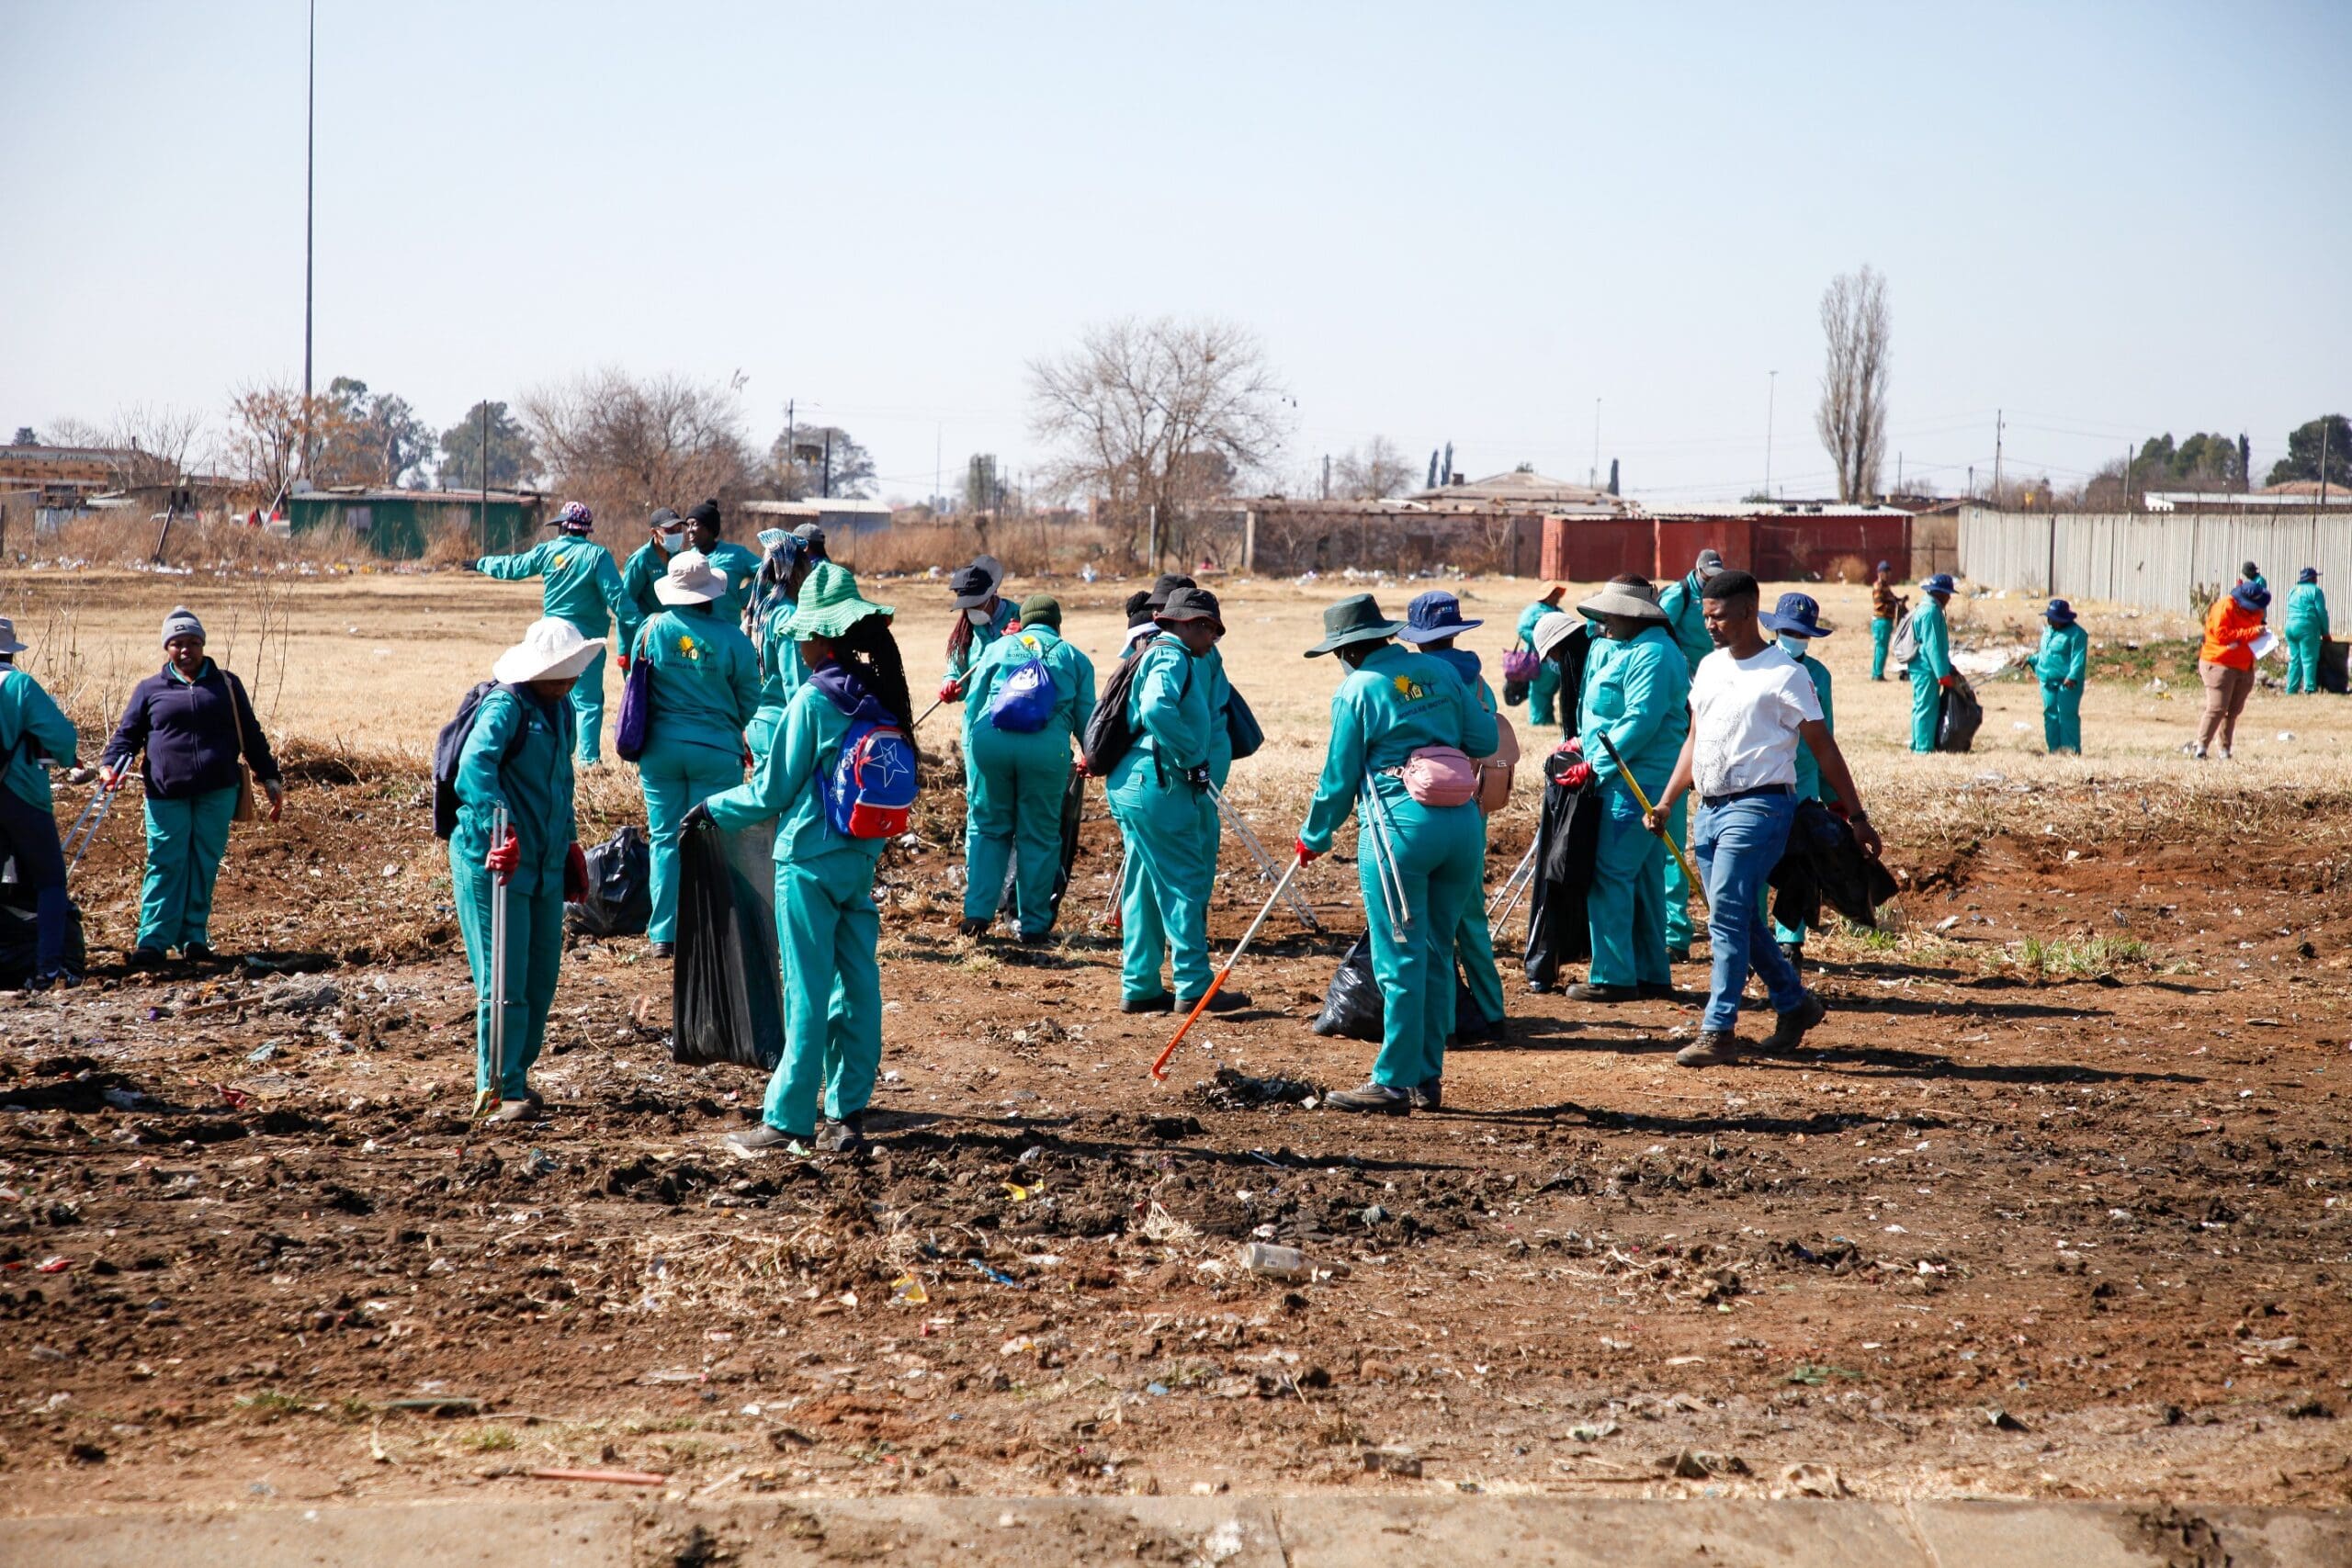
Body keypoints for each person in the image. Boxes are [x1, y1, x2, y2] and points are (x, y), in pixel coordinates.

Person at [697, 563, 912, 1159]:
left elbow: (770, 792)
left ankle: (789, 1118)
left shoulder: (815, 700)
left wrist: (712, 810)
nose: (796, 644)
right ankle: (847, 1115)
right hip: (859, 859)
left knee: (806, 992)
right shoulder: (879, 695)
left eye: (801, 636)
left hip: (808, 861)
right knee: (857, 986)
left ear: (819, 636)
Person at [1647, 571, 1881, 1069]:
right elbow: (1695, 741)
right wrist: (1667, 801)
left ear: (1749, 611)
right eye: (1705, 616)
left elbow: (1824, 748)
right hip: (1710, 811)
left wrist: (1857, 816)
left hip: (1761, 807)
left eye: (1718, 616)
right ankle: (1795, 1004)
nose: (1709, 625)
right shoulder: (1708, 666)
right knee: (1737, 916)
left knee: (1726, 916)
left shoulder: (1786, 674)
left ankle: (1719, 1030)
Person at [1296, 594, 1498, 1113]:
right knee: (1437, 953)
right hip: (1462, 828)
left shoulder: (1357, 688)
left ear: (1347, 651)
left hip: (1399, 833)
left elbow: (1338, 778)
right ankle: (1426, 1079)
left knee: (1400, 958)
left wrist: (1315, 835)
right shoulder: (1440, 670)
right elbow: (1483, 737)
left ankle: (1391, 1082)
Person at [449, 618, 601, 1122]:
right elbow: (474, 768)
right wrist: (502, 826)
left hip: (544, 860)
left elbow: (561, 782)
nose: (572, 679)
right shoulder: (505, 706)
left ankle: (517, 1072)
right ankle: (498, 1089)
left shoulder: (562, 709)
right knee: (504, 980)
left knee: (540, 977)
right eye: (562, 671)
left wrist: (570, 844)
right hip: (496, 860)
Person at [101, 607, 285, 967]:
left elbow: (251, 734)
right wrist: (110, 766)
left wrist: (270, 777)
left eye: (192, 642)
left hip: (218, 791)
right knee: (166, 862)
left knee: (203, 863)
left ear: (202, 644)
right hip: (165, 792)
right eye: (177, 643)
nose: (186, 650)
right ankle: (152, 941)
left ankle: (193, 937)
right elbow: (127, 736)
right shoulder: (150, 689)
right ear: (167, 648)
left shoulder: (226, 685)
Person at [1555, 576, 1689, 1003]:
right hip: (1625, 777)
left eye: (1611, 614)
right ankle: (1651, 973)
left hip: (1636, 783)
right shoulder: (1633, 648)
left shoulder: (1654, 653)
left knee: (1610, 874)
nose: (1604, 621)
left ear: (1634, 615)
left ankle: (1612, 976)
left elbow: (1640, 720)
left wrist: (1594, 765)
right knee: (1644, 878)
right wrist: (1580, 744)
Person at [1106, 587, 1229, 1014]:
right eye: (1213, 631)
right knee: (1184, 882)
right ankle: (1194, 986)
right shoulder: (1172, 655)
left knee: (1143, 885)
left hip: (1133, 783)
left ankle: (1140, 985)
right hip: (1158, 785)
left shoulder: (1153, 650)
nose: (1214, 642)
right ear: (1194, 624)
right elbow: (1156, 708)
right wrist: (1194, 758)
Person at [631, 550, 758, 955]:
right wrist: (725, 724)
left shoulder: (651, 628)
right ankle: (711, 930)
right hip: (716, 752)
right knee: (712, 840)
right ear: (711, 594)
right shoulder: (734, 639)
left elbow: (637, 681)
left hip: (660, 751)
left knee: (665, 838)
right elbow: (749, 699)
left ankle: (664, 935)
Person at [1397, 589, 1508, 1043]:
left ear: (1417, 639)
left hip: (1420, 810)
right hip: (1469, 807)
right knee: (1470, 915)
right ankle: (1492, 1011)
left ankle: (1440, 1024)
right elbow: (1490, 738)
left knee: (1428, 926)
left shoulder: (1412, 682)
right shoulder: (1478, 683)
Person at [956, 594, 1096, 943]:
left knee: (988, 828)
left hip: (990, 744)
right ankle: (1033, 924)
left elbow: (973, 705)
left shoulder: (998, 648)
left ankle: (977, 913)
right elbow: (1087, 722)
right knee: (1039, 835)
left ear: (1025, 622)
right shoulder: (1075, 658)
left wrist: (971, 754)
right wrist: (1092, 757)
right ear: (1057, 624)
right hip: (1046, 751)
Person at [470, 501, 638, 765]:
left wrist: (482, 563)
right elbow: (618, 599)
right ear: (586, 530)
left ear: (562, 527)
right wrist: (644, 626)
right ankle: (588, 761)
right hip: (585, 641)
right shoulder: (597, 556)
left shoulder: (547, 550)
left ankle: (552, 753)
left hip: (549, 639)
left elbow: (514, 566)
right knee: (588, 702)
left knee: (548, 697)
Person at [0, 616, 83, 988]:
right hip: (22, 794)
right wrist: (66, 759)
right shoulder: (20, 686)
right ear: (11, 653)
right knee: (49, 881)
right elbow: (63, 738)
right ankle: (48, 969)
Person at [1758, 593, 1838, 971]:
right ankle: (1753, 935)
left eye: (1802, 634)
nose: (1796, 639)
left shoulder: (1819, 675)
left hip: (1803, 779)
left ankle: (1790, 940)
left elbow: (1827, 738)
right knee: (1758, 858)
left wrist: (1833, 797)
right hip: (1765, 775)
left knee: (1799, 862)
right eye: (1790, 631)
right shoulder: (1759, 664)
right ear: (1776, 629)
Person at [1654, 549, 1723, 961]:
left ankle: (1676, 927)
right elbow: (1665, 631)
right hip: (1688, 683)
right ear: (1696, 569)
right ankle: (1670, 927)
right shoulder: (1679, 595)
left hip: (1706, 679)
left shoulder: (1715, 595)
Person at [742, 529, 816, 766]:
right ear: (796, 575)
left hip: (759, 720)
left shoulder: (763, 609)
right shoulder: (788, 615)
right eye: (808, 570)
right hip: (781, 725)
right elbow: (795, 682)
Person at [2192, 578, 2266, 761]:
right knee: (2217, 707)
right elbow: (2222, 634)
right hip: (2219, 663)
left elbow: (2252, 632)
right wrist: (2252, 633)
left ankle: (2224, 750)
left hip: (2244, 665)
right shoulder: (2224, 607)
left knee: (2232, 711)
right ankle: (2201, 748)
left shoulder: (2256, 611)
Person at [938, 556, 1016, 704]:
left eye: (977, 604)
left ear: (992, 594)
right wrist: (951, 683)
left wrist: (1026, 636)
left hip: (1014, 707)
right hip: (978, 712)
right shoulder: (965, 630)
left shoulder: (1020, 617)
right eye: (968, 606)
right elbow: (956, 670)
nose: (972, 610)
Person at [681, 500, 763, 627]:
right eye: (688, 525)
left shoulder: (735, 554)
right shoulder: (688, 558)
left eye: (694, 524)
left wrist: (746, 596)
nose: (689, 530)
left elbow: (768, 573)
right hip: (696, 631)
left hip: (728, 630)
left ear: (709, 527)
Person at [1906, 573, 1958, 752]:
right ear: (1940, 593)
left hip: (1921, 665)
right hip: (1926, 667)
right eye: (1948, 594)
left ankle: (1917, 742)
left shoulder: (1925, 607)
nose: (1949, 598)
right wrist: (1942, 673)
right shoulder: (1931, 612)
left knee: (1920, 705)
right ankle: (1923, 748)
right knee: (1927, 707)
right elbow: (1933, 646)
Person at [2035, 599, 2088, 753]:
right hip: (2047, 680)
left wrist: (2073, 676)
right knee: (2050, 714)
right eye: (2049, 618)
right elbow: (2045, 655)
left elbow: (2079, 658)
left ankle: (2070, 750)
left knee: (2067, 715)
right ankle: (2054, 750)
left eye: (2054, 619)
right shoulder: (2048, 632)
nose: (2051, 622)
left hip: (2067, 683)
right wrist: (2030, 660)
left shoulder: (2077, 634)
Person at [620, 507, 687, 628]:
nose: (676, 535)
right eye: (670, 531)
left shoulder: (678, 557)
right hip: (649, 632)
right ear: (654, 533)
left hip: (673, 630)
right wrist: (643, 630)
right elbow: (625, 604)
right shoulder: (641, 560)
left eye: (679, 530)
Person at [1513, 583, 1569, 727]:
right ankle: (1539, 721)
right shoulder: (1533, 611)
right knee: (1540, 692)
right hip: (1540, 659)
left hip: (1558, 659)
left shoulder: (1559, 611)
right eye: (1554, 594)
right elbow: (1522, 629)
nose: (1557, 597)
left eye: (1558, 594)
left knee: (1557, 691)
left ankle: (1553, 719)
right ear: (1547, 595)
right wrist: (1542, 639)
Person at [2284, 568, 2327, 695]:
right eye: (2315, 577)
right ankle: (2310, 689)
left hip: (2290, 627)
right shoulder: (2316, 591)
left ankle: (2291, 690)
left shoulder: (2293, 590)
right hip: (2306, 627)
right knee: (2309, 658)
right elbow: (2321, 612)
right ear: (2312, 579)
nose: (2317, 579)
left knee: (2295, 659)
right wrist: (2325, 632)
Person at [1869, 561, 1904, 682]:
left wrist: (1899, 600)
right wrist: (1893, 604)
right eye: (1886, 572)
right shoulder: (1878, 586)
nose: (1889, 575)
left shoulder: (1886, 586)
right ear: (1880, 573)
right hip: (1881, 620)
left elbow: (1892, 598)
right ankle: (1877, 674)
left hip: (1887, 620)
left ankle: (1876, 673)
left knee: (1881, 648)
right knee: (1881, 648)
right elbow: (1879, 604)